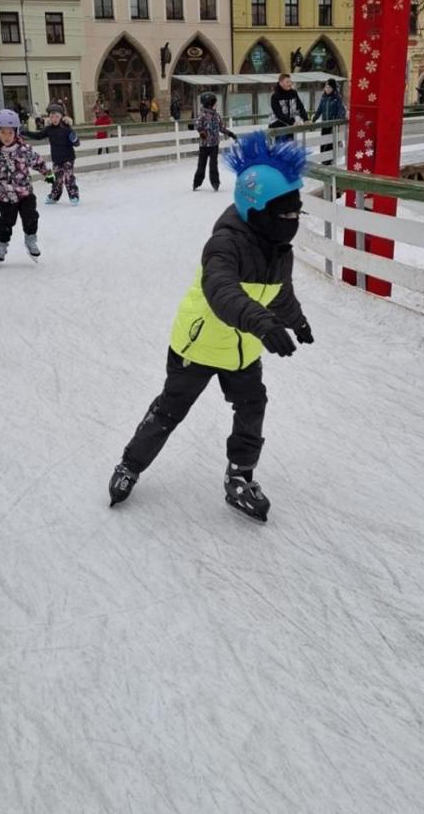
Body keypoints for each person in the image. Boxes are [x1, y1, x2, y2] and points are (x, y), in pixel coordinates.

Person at [108, 131, 313, 522]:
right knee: (170, 411)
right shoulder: (225, 244)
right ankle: (130, 465)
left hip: (242, 350)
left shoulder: (277, 248)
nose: (292, 221)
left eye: (295, 213)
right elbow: (222, 293)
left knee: (253, 405)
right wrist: (264, 324)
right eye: (284, 213)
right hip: (197, 347)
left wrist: (296, 320)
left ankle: (240, 476)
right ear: (258, 211)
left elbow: (279, 292)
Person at [0, 108, 54, 262]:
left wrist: (47, 173)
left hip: (25, 193)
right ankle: (2, 244)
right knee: (6, 222)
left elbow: (37, 161)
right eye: (3, 132)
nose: (6, 137)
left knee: (30, 217)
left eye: (10, 133)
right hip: (6, 196)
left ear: (16, 132)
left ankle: (30, 240)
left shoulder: (25, 150)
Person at [25, 103, 81, 205]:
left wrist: (75, 139)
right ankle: (54, 196)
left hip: (68, 158)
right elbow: (38, 136)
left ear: (61, 117)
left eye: (57, 116)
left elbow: (77, 143)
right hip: (57, 159)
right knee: (57, 179)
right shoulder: (49, 129)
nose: (54, 119)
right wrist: (25, 132)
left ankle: (73, 195)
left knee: (69, 178)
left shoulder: (67, 128)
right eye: (52, 116)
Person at [193, 92, 237, 192]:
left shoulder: (217, 115)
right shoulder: (202, 114)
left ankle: (215, 182)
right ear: (209, 103)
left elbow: (221, 127)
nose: (216, 105)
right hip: (204, 145)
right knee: (201, 164)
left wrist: (230, 133)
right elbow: (197, 124)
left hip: (214, 144)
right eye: (214, 103)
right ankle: (197, 182)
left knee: (213, 164)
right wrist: (202, 132)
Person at [269, 73, 308, 141]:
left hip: (290, 126)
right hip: (277, 127)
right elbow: (279, 114)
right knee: (281, 149)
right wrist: (292, 122)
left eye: (290, 82)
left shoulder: (293, 93)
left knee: (290, 147)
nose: (290, 84)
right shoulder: (275, 96)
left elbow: (300, 106)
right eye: (287, 82)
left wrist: (306, 119)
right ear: (281, 83)